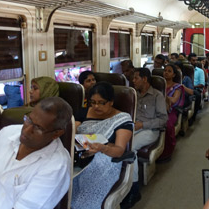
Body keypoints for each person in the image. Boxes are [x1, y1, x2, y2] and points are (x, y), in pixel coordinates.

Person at [0, 97, 72, 208]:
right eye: (29, 120)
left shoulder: (56, 166)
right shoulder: (6, 133)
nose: (26, 130)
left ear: (56, 133)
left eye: (38, 128)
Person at [72, 82, 133, 209]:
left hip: (106, 159)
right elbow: (72, 135)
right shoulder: (82, 113)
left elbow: (119, 150)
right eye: (93, 102)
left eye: (101, 102)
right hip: (81, 155)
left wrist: (103, 148)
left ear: (111, 101)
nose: (96, 106)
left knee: (85, 199)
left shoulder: (122, 119)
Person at [121, 68, 168, 209]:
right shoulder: (133, 95)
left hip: (149, 130)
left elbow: (163, 120)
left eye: (136, 78)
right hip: (132, 127)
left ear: (145, 79)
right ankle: (120, 184)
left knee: (131, 148)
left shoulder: (157, 96)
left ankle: (134, 190)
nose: (133, 81)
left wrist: (143, 124)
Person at [159, 64, 184, 160]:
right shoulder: (158, 85)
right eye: (165, 70)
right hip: (157, 109)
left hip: (171, 111)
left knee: (167, 125)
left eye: (169, 71)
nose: (166, 72)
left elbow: (173, 100)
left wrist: (162, 97)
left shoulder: (177, 87)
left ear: (174, 75)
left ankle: (167, 153)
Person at [188, 53, 205, 122]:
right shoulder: (186, 70)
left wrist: (192, 86)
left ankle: (194, 115)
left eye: (195, 60)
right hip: (186, 87)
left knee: (197, 95)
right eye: (193, 60)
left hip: (195, 88)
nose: (195, 62)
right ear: (189, 61)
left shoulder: (200, 71)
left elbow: (202, 84)